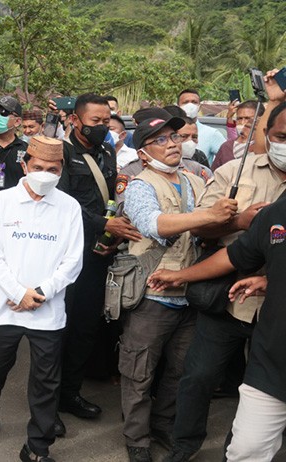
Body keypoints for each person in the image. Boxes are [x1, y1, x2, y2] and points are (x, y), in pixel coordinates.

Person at [154, 101, 286, 462]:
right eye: (280, 137)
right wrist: (238, 222)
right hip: (228, 293)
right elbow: (199, 226)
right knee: (198, 376)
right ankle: (184, 445)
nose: (284, 145)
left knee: (258, 394)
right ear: (266, 134)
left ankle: (239, 447)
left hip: (275, 308)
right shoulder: (233, 172)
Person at [0, 135, 84, 462]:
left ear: (61, 171)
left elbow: (73, 261)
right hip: (5, 308)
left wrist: (39, 294)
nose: (45, 173)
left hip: (48, 310)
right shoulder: (3, 201)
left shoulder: (69, 208)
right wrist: (18, 293)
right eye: (39, 167)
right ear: (24, 165)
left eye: (53, 169)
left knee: (46, 382)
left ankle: (37, 446)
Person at [120, 115, 236, 462]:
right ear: (142, 153)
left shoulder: (196, 179)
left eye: (174, 137)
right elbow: (156, 224)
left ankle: (163, 425)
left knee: (179, 372)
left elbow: (214, 227)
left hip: (191, 294)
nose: (172, 144)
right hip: (152, 296)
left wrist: (227, 218)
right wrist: (210, 217)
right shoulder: (140, 184)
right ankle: (136, 439)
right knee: (138, 372)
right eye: (160, 140)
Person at [57, 93, 141, 431]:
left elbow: (109, 198)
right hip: (67, 255)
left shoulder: (107, 152)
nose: (102, 127)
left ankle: (70, 393)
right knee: (59, 330)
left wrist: (113, 233)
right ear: (75, 120)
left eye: (106, 121)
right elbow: (60, 204)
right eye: (95, 122)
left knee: (86, 327)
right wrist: (103, 224)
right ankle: (49, 400)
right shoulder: (62, 153)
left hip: (98, 254)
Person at [212, 100, 264, 170]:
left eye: (247, 118)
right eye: (239, 118)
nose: (243, 122)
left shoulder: (265, 147)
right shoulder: (227, 147)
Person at [177, 89, 225, 164]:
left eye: (194, 102)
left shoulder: (212, 133)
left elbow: (227, 157)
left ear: (199, 106)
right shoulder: (171, 130)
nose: (190, 105)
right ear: (178, 106)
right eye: (186, 102)